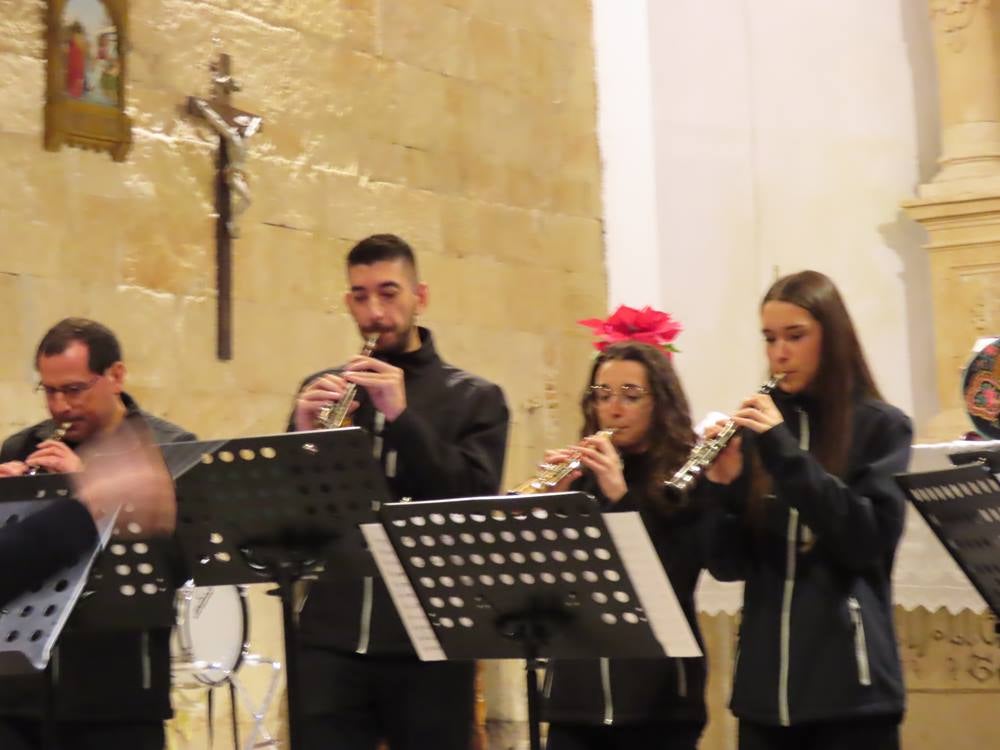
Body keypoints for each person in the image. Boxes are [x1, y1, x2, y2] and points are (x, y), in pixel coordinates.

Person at [288, 234, 510, 750]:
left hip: (430, 638)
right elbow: (294, 515)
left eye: (389, 294)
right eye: (360, 296)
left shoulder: (474, 398)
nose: (375, 312)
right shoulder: (325, 390)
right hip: (331, 636)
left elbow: (468, 498)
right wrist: (300, 437)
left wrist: (402, 417)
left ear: (420, 296)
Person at [703, 271, 912, 750]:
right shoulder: (758, 431)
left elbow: (865, 542)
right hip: (763, 699)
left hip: (851, 696)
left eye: (795, 336)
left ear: (832, 337)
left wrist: (783, 453)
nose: (780, 353)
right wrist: (723, 488)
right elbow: (727, 565)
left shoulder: (882, 427)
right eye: (770, 339)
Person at [0, 318, 195, 750]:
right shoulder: (21, 446)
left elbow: (183, 560)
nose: (60, 407)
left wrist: (88, 487)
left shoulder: (169, 449)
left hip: (121, 694)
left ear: (116, 376)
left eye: (73, 390)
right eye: (49, 391)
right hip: (22, 696)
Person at [536, 314, 708, 750]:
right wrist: (551, 507)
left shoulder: (687, 475)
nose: (613, 408)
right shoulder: (583, 476)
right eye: (603, 395)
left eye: (631, 396)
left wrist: (620, 497)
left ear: (660, 402)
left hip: (659, 705)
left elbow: (673, 577)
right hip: (575, 701)